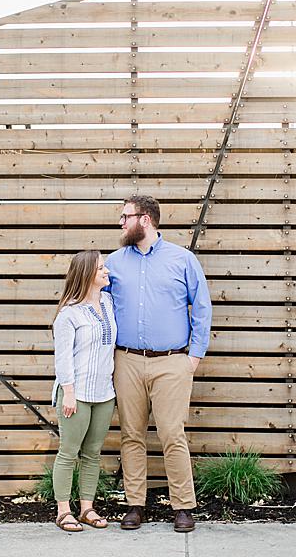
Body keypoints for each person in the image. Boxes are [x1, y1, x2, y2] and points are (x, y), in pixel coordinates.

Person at [105, 195, 212, 533]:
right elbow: (100, 309)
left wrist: (193, 356)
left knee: (172, 435)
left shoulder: (183, 259)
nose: (121, 223)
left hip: (172, 362)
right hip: (127, 361)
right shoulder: (113, 262)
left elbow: (203, 308)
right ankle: (135, 503)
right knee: (131, 435)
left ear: (145, 220)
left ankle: (183, 507)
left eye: (126, 216)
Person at [50, 250, 117, 532]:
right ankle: (64, 511)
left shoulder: (109, 302)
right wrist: (68, 392)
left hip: (104, 393)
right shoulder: (69, 314)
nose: (106, 272)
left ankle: (87, 508)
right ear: (87, 273)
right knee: (68, 452)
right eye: (101, 268)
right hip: (75, 394)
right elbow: (62, 357)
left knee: (92, 453)